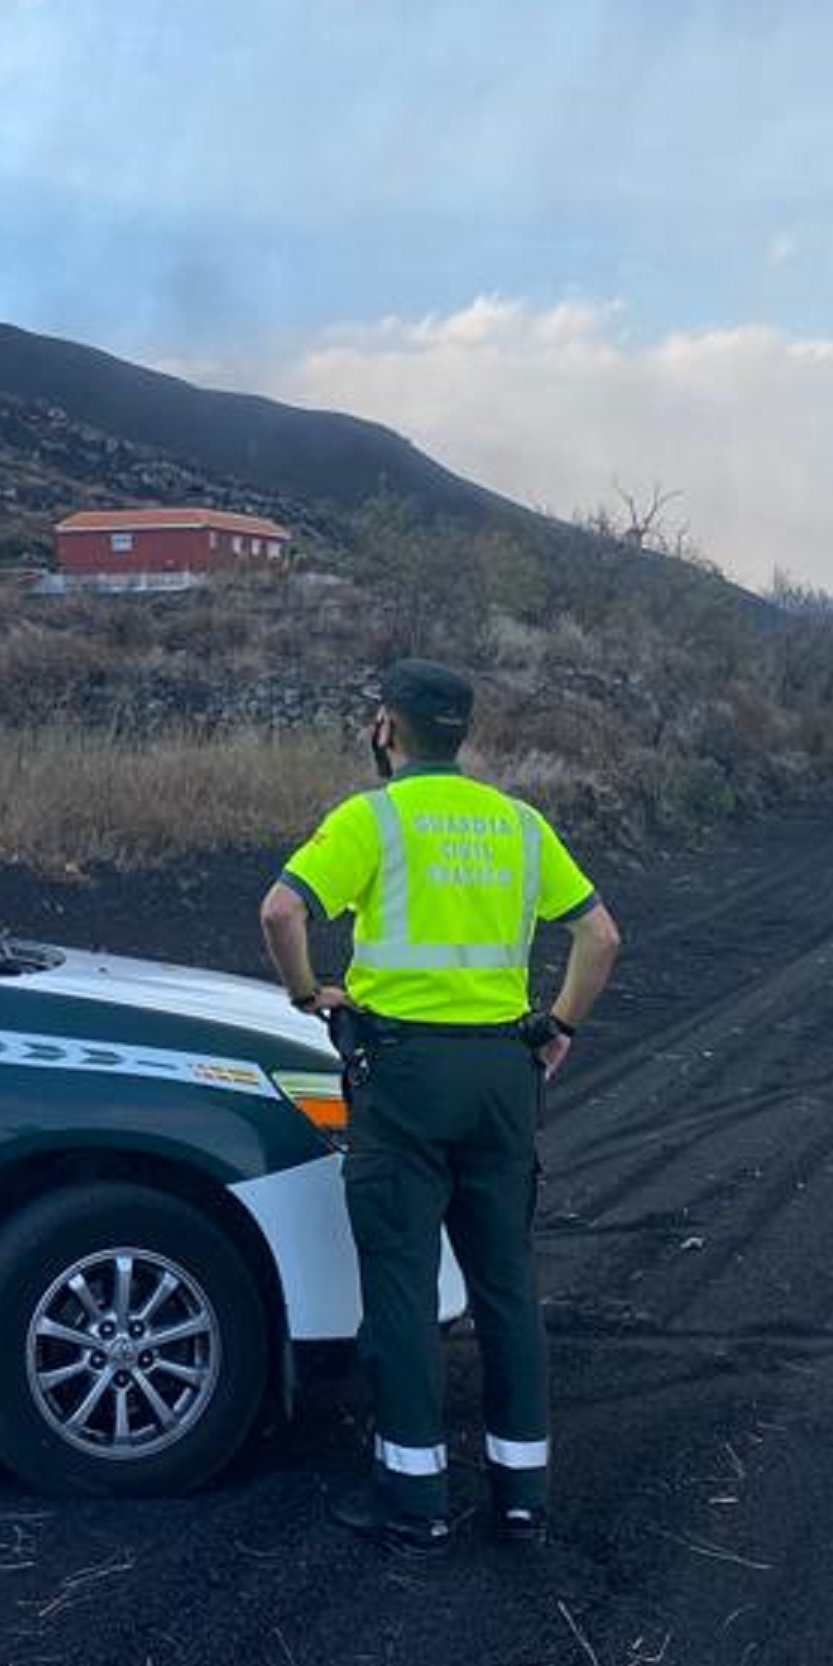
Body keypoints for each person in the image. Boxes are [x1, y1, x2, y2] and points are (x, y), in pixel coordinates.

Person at [258, 658, 621, 1554]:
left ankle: (413, 1499)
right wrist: (558, 1024)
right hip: (502, 1078)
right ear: (462, 733)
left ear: (387, 727)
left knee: (401, 1290)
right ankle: (523, 1493)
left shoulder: (370, 819)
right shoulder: (520, 824)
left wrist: (312, 996)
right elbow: (601, 935)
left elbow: (280, 914)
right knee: (506, 1288)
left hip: (404, 1077)